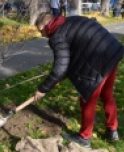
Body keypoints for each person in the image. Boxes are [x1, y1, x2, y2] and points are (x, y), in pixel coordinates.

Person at [34, 12, 124, 148]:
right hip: (111, 52)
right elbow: (72, 55)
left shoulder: (57, 36)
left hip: (97, 62)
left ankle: (84, 137)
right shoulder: (71, 19)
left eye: (41, 30)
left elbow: (60, 67)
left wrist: (43, 89)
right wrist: (60, 76)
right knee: (107, 95)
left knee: (87, 99)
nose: (41, 34)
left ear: (47, 25)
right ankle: (112, 130)